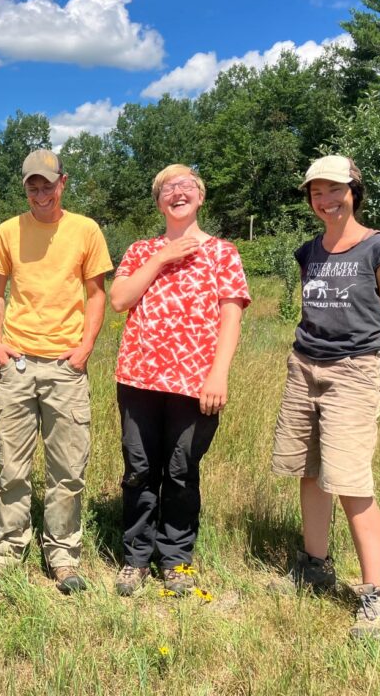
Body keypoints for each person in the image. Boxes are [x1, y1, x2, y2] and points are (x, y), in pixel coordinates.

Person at [271, 155, 380, 641]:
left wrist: (375, 380)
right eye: (316, 192)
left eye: (334, 189)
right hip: (304, 366)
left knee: (350, 479)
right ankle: (315, 565)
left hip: (354, 371)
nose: (325, 200)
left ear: (354, 188)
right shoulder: (309, 250)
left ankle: (378, 594)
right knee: (310, 471)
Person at [109, 164, 250, 597]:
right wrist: (162, 257)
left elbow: (232, 316)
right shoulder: (140, 250)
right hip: (139, 378)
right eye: (167, 189)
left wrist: (219, 374)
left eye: (186, 186)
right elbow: (119, 299)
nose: (177, 193)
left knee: (181, 471)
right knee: (139, 469)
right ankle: (135, 558)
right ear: (158, 202)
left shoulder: (223, 253)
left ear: (201, 196)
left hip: (196, 384)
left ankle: (176, 561)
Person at [0, 149, 112, 593]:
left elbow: (97, 295)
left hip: (65, 367)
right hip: (16, 364)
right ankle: (7, 551)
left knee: (67, 469)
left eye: (47, 184)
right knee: (10, 466)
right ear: (25, 188)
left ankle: (63, 557)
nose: (40, 193)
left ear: (62, 183)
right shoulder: (7, 231)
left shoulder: (85, 230)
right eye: (32, 186)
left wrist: (85, 347)